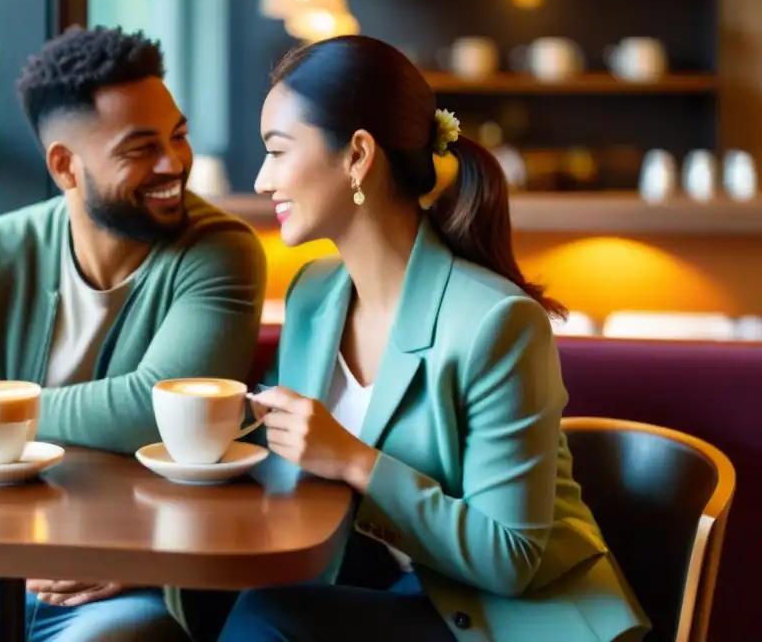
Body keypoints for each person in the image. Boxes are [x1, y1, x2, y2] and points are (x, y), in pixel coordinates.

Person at [212, 35, 650, 641]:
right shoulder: (314, 295)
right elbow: (286, 471)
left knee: (268, 621)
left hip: (514, 618)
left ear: (357, 156)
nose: (262, 180)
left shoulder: (498, 323)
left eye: (278, 152)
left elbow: (512, 557)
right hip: (388, 592)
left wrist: (354, 461)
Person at [0, 26, 266, 641]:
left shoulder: (218, 252)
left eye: (178, 135)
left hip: (125, 581)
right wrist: (1, 433)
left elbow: (154, 410)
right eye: (140, 148)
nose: (175, 163)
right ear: (65, 166)